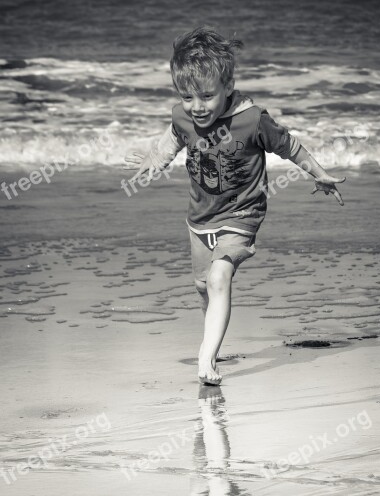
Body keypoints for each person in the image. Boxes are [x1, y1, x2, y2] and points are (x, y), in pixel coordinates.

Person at [124, 27, 345, 386]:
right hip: (200, 218)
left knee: (219, 277)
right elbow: (174, 135)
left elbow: (289, 146)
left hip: (243, 214)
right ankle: (214, 343)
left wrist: (319, 174)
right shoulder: (184, 115)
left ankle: (206, 358)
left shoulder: (252, 119)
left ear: (227, 87)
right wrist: (155, 159)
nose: (197, 106)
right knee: (204, 288)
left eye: (207, 96)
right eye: (187, 97)